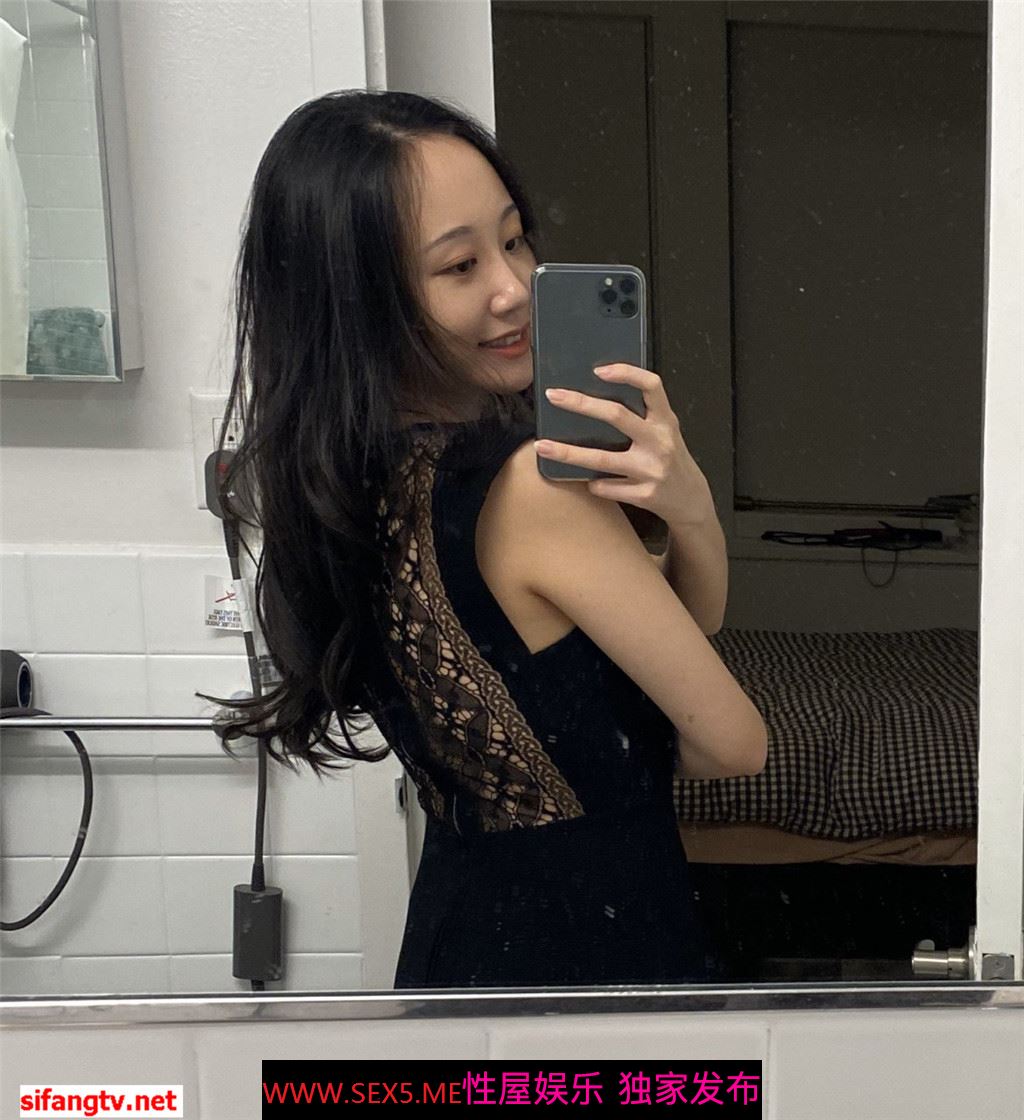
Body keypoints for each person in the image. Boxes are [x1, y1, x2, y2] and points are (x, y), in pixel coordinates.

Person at [213, 89, 768, 989]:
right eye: (460, 265)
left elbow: (676, 634)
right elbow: (732, 742)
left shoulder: (348, 488)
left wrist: (690, 510)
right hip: (595, 954)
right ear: (363, 299)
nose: (513, 289)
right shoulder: (527, 493)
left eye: (514, 240)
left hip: (459, 947)